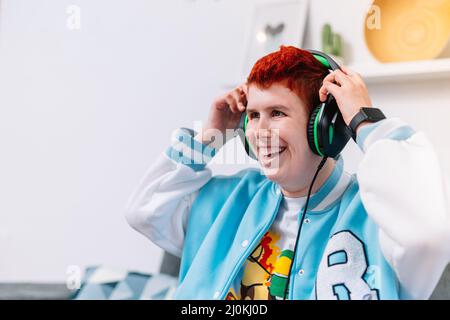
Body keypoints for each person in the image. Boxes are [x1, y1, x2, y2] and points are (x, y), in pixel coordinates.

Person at [125, 46, 450, 300]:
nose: (259, 131)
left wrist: (364, 120)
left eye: (277, 113)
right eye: (253, 115)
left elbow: (428, 237)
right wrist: (212, 135)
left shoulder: (374, 216)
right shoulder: (229, 200)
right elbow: (143, 211)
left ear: (323, 126)